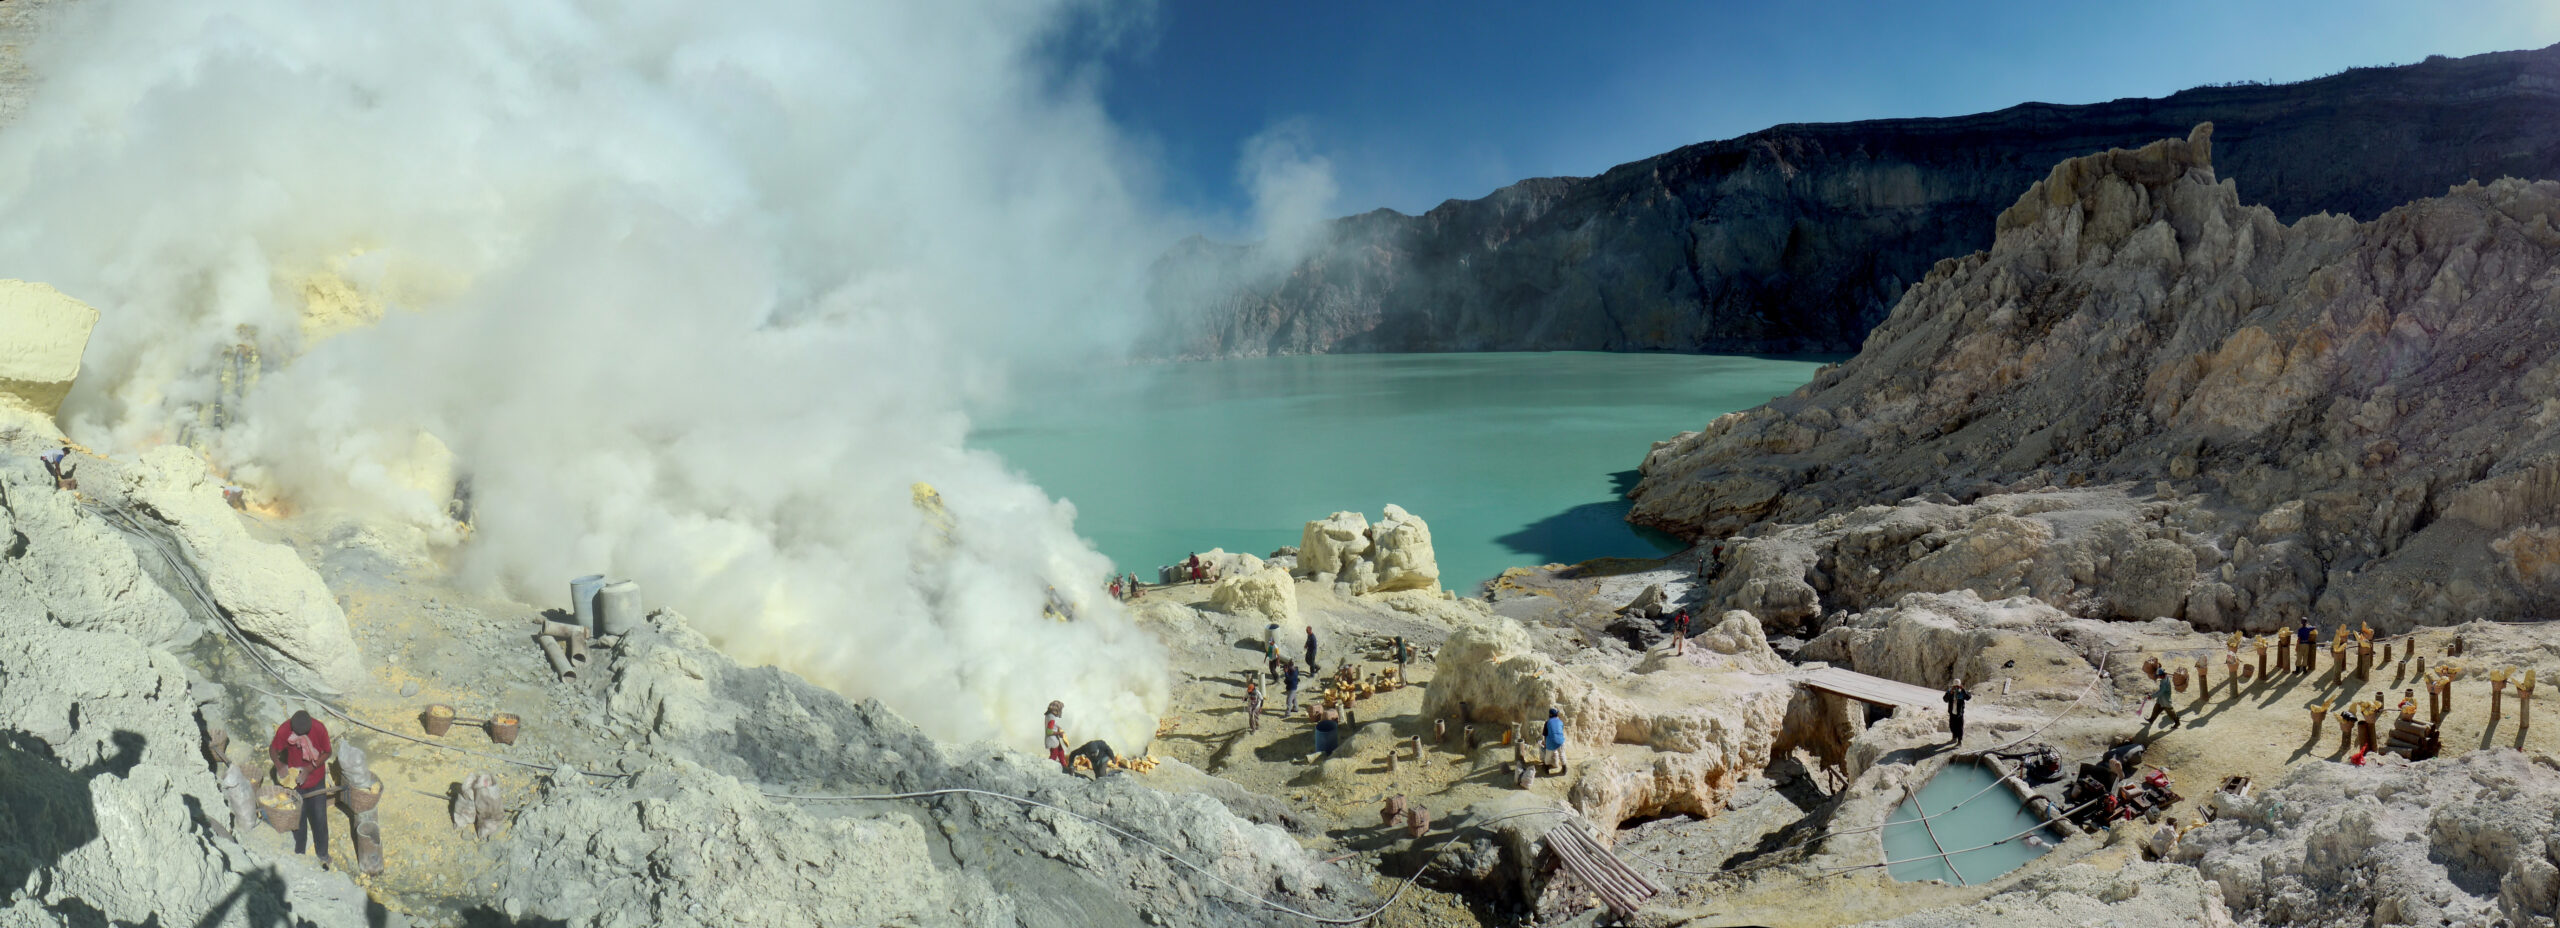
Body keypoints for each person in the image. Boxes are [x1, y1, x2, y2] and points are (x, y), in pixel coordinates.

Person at [268, 710, 335, 868]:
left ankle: (322, 853)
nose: (299, 736)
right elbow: (273, 749)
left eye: (303, 734)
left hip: (316, 778)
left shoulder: (319, 728)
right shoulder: (285, 729)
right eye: (297, 733)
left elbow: (328, 752)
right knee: (298, 820)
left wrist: (309, 769)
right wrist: (280, 765)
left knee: (319, 818)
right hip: (295, 784)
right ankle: (300, 853)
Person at [1543, 707, 1568, 775]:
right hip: (1560, 741)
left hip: (1551, 742)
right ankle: (1565, 768)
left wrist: (1545, 744)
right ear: (1557, 715)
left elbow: (1545, 735)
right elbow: (1559, 731)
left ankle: (1546, 768)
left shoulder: (1547, 723)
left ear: (1549, 715)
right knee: (1562, 755)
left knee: (1548, 757)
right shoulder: (1560, 721)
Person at [1044, 701, 1068, 771]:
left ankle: (1064, 766)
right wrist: (1058, 733)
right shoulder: (1052, 718)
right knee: (1054, 755)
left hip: (1054, 739)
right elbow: (1048, 731)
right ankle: (1048, 769)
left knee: (1061, 752)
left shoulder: (1049, 715)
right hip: (1052, 739)